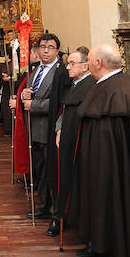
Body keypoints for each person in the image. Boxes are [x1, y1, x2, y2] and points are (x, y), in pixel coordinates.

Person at [70, 44, 130, 257]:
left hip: (113, 170)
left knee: (121, 211)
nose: (87, 65)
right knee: (125, 213)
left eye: (89, 61)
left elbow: (106, 138)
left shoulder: (113, 89)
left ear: (98, 63)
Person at [17, 33, 69, 227]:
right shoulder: (34, 70)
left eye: (50, 47)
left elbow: (60, 102)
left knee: (51, 172)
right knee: (39, 170)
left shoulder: (61, 72)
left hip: (49, 129)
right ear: (38, 50)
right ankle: (44, 206)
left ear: (57, 51)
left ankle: (56, 212)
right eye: (42, 47)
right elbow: (30, 95)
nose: (45, 50)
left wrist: (35, 106)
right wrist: (24, 94)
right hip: (34, 130)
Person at [49, 46, 95, 238]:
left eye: (72, 64)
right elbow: (65, 109)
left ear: (85, 66)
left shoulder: (91, 86)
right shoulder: (74, 84)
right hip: (65, 140)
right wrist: (59, 127)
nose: (67, 67)